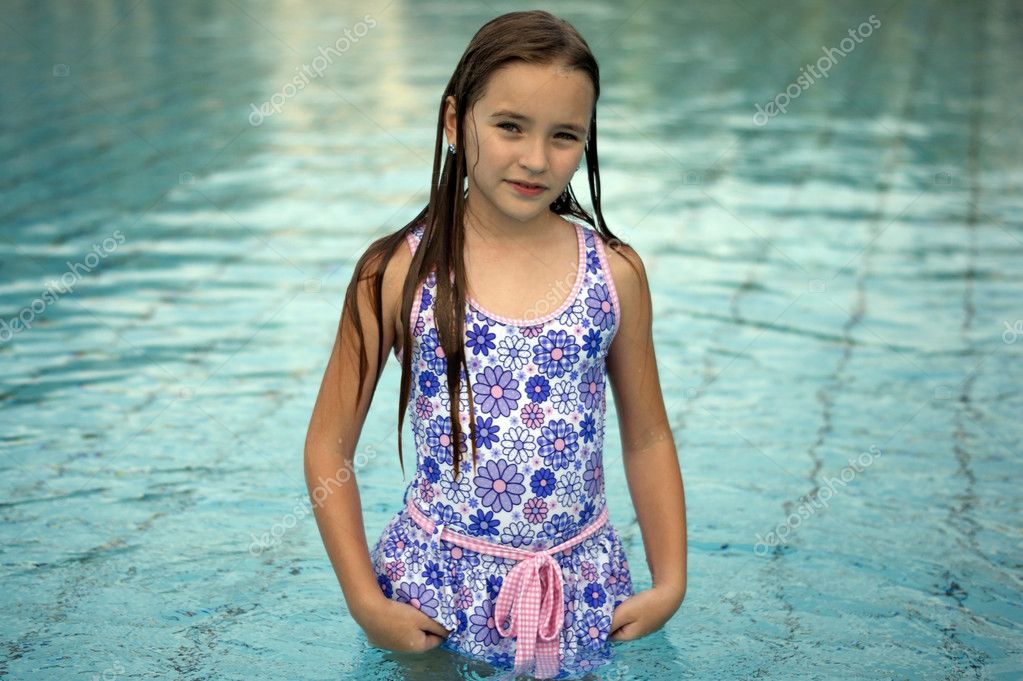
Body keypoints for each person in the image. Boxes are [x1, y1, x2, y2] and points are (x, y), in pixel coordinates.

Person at [304, 10, 687, 679]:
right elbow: (326, 445)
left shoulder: (613, 275)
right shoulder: (397, 273)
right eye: (509, 126)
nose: (536, 159)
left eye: (564, 135)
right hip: (432, 595)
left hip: (577, 585)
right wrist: (365, 600)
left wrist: (669, 582)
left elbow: (647, 435)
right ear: (455, 122)